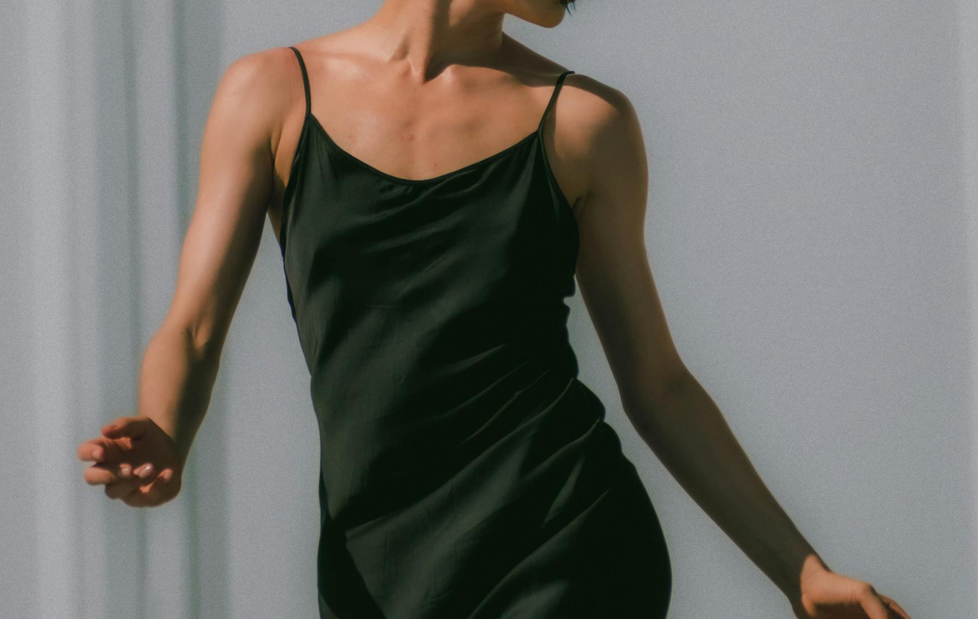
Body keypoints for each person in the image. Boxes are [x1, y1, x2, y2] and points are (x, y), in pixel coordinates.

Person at [75, 1, 914, 617]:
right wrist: (166, 431)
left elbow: (657, 383)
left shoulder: (587, 124)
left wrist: (801, 571)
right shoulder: (271, 92)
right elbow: (192, 326)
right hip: (374, 572)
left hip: (563, 542)